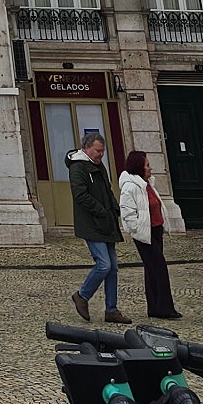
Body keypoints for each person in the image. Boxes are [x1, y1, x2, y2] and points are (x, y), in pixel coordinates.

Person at [68, 128, 127, 325]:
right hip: (91, 223)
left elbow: (107, 189)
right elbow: (80, 195)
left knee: (113, 268)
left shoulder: (99, 166)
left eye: (103, 151)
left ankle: (111, 309)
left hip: (106, 221)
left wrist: (114, 208)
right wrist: (101, 211)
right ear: (86, 148)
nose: (101, 154)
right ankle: (82, 295)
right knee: (104, 265)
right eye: (98, 151)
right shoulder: (78, 167)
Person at [119, 149, 180, 321]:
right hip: (144, 233)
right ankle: (165, 308)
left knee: (152, 269)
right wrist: (137, 230)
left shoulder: (147, 184)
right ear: (139, 167)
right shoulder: (131, 187)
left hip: (156, 229)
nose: (150, 168)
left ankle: (154, 307)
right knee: (159, 268)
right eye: (147, 165)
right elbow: (127, 213)